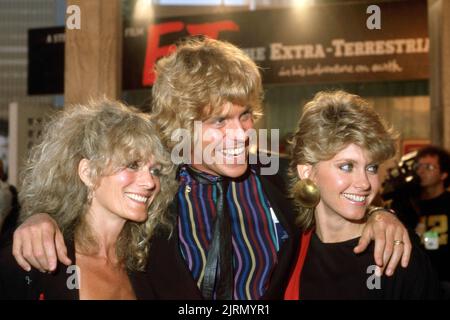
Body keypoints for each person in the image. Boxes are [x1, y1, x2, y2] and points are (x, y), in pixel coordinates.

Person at [11, 37, 411, 300]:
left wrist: (380, 214)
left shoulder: (279, 177)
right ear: (181, 124)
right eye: (219, 122)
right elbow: (85, 211)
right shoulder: (149, 184)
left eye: (245, 117)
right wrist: (38, 217)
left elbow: (346, 192)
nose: (240, 135)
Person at [0, 100, 177, 299]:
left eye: (155, 170)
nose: (150, 182)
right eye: (133, 165)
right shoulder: (38, 257)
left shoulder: (152, 259)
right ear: (88, 173)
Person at [284, 91, 438, 300]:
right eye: (347, 166)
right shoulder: (286, 250)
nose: (365, 183)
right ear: (307, 172)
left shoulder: (394, 255)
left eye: (372, 168)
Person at [391, 146, 450, 298]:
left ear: (443, 174)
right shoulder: (409, 202)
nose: (421, 171)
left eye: (429, 167)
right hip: (416, 278)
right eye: (419, 166)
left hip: (445, 278)